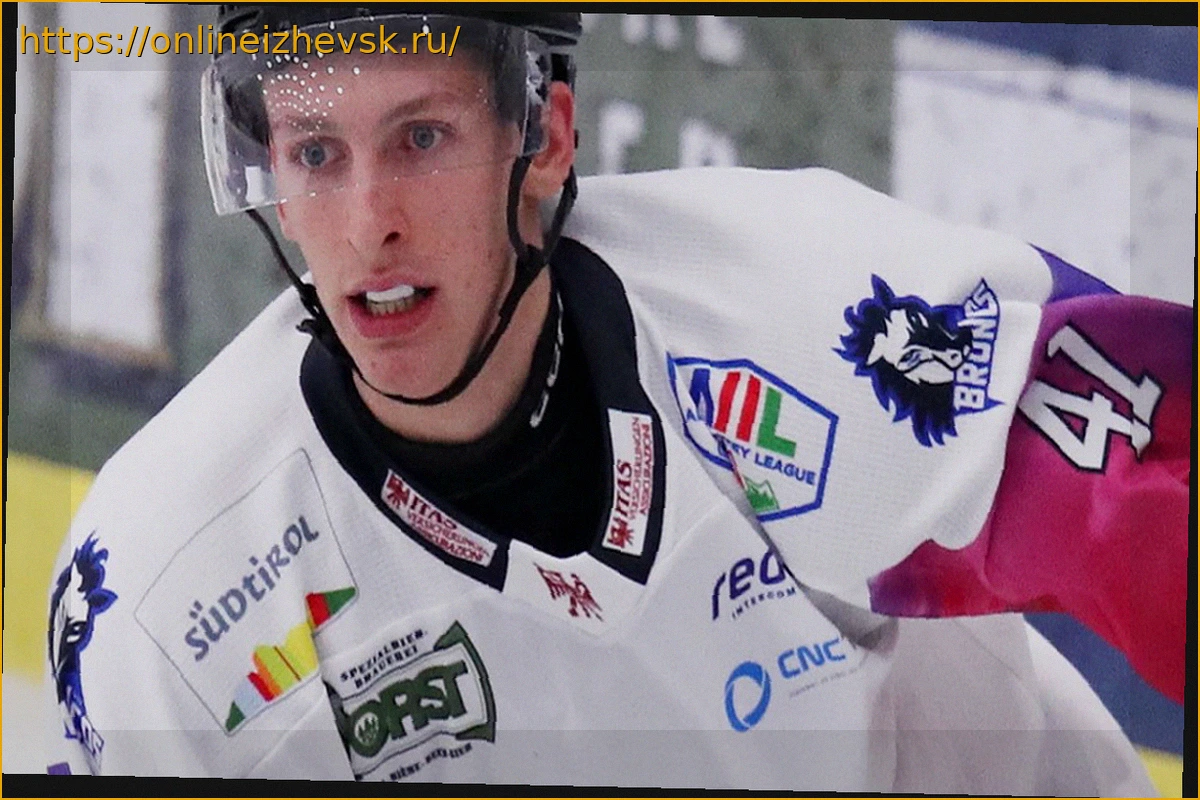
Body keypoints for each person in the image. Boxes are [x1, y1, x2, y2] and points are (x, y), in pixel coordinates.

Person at [45, 7, 1188, 790]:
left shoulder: (814, 310)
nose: (367, 224)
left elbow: (1160, 500)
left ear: (544, 138)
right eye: (313, 154)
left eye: (423, 137)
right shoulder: (162, 584)